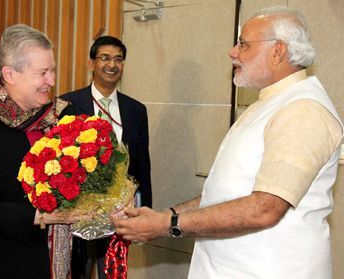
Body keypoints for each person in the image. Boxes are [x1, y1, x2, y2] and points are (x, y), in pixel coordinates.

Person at [112, 6, 343, 278]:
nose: (232, 52)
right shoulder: (270, 103)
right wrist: (167, 214)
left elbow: (265, 208)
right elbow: (225, 192)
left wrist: (167, 224)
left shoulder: (303, 110)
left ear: (278, 51)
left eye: (243, 44)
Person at [0, 24, 83, 279]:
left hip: (58, 264)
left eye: (52, 70)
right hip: (0, 264)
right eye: (43, 73)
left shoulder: (65, 116)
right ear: (10, 74)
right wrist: (40, 216)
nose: (52, 82)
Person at [62, 36, 152, 278]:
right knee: (76, 272)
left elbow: (142, 164)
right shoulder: (68, 104)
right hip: (78, 212)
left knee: (112, 273)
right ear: (92, 63)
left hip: (119, 212)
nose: (112, 64)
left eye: (118, 59)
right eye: (104, 58)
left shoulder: (136, 110)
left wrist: (144, 209)